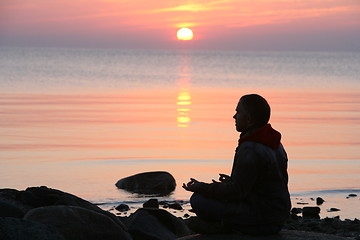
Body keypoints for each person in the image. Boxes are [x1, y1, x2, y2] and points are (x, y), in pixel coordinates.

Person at [183, 94, 291, 235]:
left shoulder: (250, 148)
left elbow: (237, 192)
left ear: (249, 120)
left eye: (238, 112)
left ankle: (228, 228)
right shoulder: (275, 143)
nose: (234, 117)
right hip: (278, 216)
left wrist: (201, 187)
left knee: (197, 199)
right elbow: (269, 182)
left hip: (263, 219)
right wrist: (232, 181)